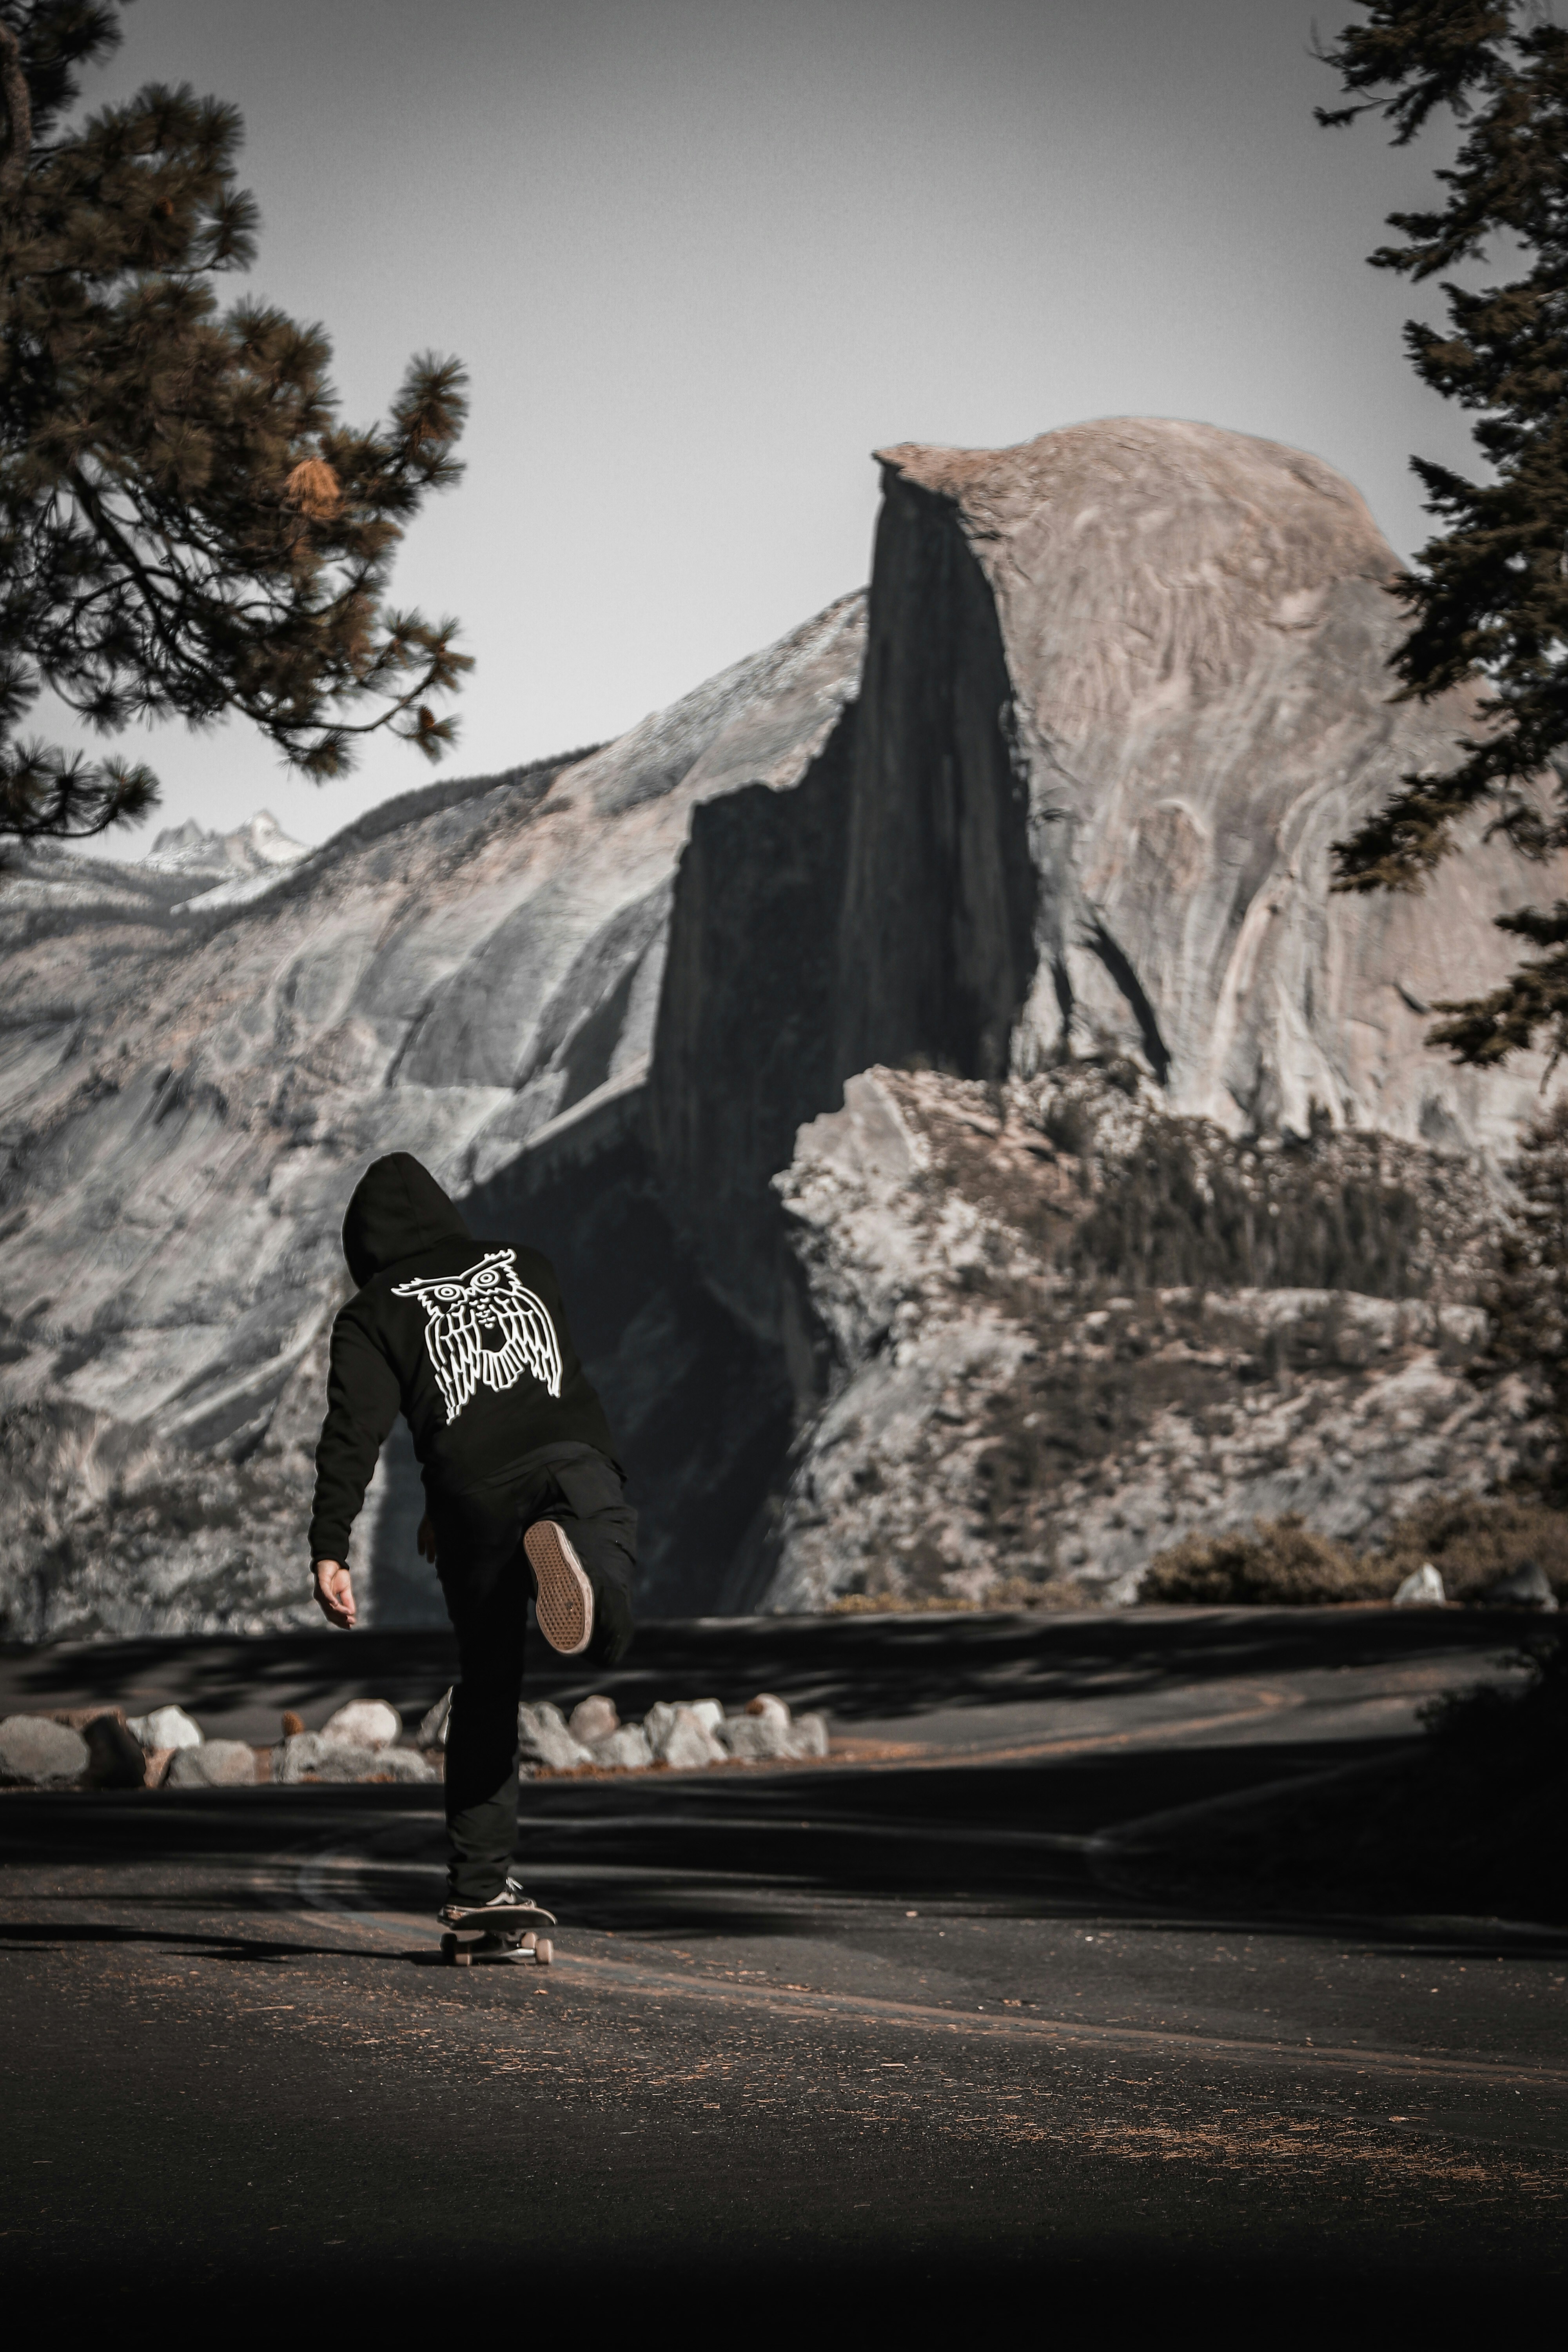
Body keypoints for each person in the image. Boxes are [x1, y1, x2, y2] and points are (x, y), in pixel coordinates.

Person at [307, 1151, 634, 1947]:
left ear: (365, 1250)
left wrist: (331, 1545)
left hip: (469, 1500)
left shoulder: (371, 1313)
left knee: (488, 1684)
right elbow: (522, 1392)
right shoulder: (527, 1265)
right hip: (566, 1465)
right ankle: (580, 1570)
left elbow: (357, 1433)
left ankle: (481, 1890)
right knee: (606, 1581)